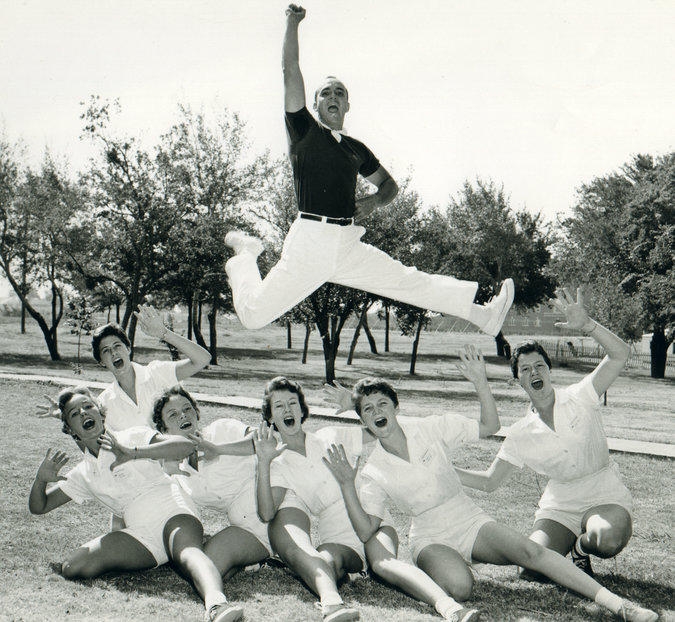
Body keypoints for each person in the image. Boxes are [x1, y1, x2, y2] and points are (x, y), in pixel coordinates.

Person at [224, 4, 514, 336]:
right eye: (326, 93)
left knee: (408, 281)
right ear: (315, 104)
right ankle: (246, 254)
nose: (333, 96)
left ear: (347, 105)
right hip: (311, 242)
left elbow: (389, 186)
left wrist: (376, 202)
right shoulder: (305, 132)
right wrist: (292, 23)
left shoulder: (356, 148)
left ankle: (483, 316)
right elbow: (290, 69)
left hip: (347, 243)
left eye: (340, 93)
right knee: (252, 315)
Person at [324, 374, 657, 622]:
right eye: (367, 409)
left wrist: (480, 380)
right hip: (429, 536)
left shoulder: (429, 427)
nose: (377, 411)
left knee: (531, 551)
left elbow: (489, 424)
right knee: (460, 588)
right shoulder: (370, 469)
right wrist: (346, 485)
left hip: (468, 519)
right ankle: (454, 578)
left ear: (395, 406)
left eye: (382, 403)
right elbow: (367, 531)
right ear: (363, 420)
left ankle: (620, 605)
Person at [455, 288, 635, 578]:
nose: (534, 372)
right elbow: (490, 483)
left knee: (607, 540)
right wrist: (446, 468)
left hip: (605, 494)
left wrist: (587, 325)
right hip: (561, 504)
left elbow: (620, 354)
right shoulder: (520, 433)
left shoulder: (581, 395)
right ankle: (564, 551)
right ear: (517, 381)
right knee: (531, 570)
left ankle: (580, 550)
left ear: (549, 371)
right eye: (525, 369)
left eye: (539, 365)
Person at [29, 386, 244, 622]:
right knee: (73, 566)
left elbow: (185, 446)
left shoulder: (132, 436)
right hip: (140, 535)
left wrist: (132, 453)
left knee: (187, 554)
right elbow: (39, 506)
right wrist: (40, 480)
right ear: (72, 431)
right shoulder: (83, 473)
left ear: (101, 414)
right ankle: (193, 557)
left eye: (88, 406)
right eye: (74, 413)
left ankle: (216, 606)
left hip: (173, 510)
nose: (83, 413)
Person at [253, 376, 373, 622]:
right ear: (270, 418)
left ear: (302, 409)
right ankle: (333, 604)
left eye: (292, 403)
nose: (288, 410)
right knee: (321, 564)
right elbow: (266, 514)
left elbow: (382, 430)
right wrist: (263, 463)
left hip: (366, 522)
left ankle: (331, 591)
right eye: (279, 406)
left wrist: (356, 405)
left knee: (320, 565)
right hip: (333, 538)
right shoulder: (278, 464)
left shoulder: (329, 434)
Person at [151, 385, 274, 580]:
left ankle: (250, 558)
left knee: (205, 571)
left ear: (196, 413)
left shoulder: (220, 429)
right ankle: (248, 560)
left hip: (270, 513)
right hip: (242, 528)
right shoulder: (177, 469)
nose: (183, 416)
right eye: (173, 415)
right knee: (202, 570)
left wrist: (217, 449)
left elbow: (266, 440)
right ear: (164, 429)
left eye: (187, 409)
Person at [37, 305, 211, 431]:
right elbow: (97, 439)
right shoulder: (104, 402)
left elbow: (202, 359)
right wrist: (65, 416)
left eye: (117, 346)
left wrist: (163, 333)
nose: (113, 353)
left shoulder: (158, 372)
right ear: (102, 362)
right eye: (106, 351)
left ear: (128, 349)